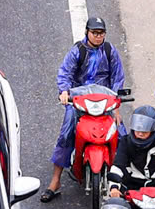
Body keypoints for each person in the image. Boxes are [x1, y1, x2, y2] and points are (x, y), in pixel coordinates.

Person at [42, 16, 126, 200]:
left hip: (104, 102)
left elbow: (118, 79)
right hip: (79, 101)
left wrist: (116, 106)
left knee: (122, 134)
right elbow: (65, 73)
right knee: (66, 134)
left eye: (101, 33)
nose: (98, 37)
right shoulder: (77, 51)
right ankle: (55, 181)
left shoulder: (110, 51)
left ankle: (123, 178)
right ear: (87, 32)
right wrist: (64, 92)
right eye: (95, 33)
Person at [107, 105, 155, 198]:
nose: (140, 133)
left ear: (153, 129)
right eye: (138, 129)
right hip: (131, 189)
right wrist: (114, 187)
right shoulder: (126, 141)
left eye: (145, 131)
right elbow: (118, 165)